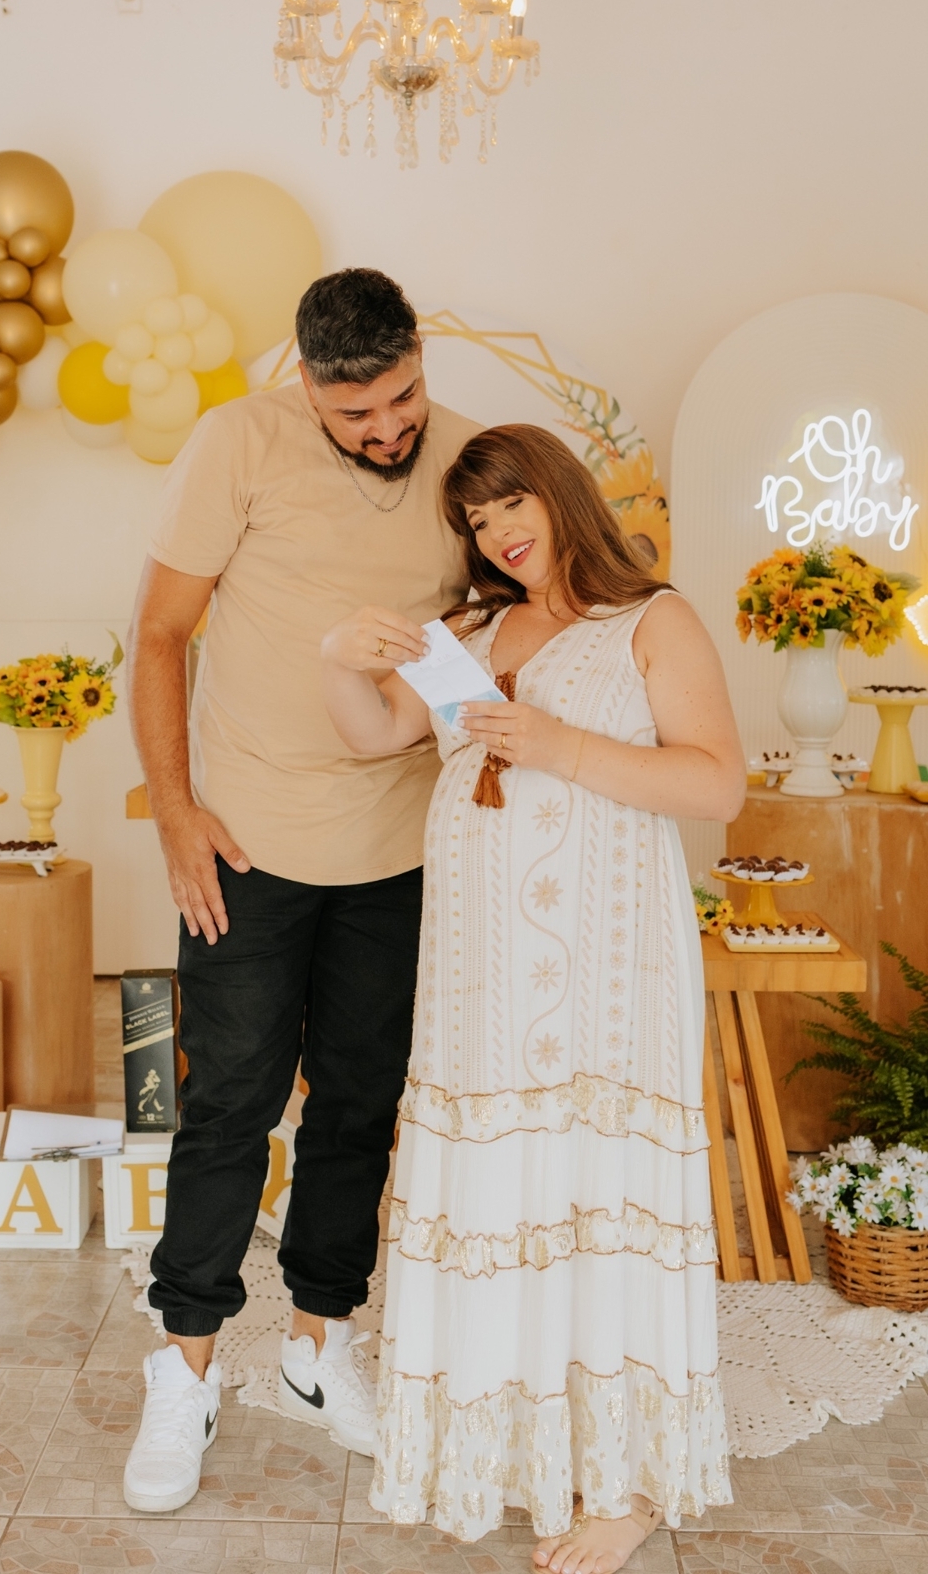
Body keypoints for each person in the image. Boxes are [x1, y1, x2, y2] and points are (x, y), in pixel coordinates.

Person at [320, 424, 743, 1572]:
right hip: (481, 980)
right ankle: (513, 1442)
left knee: (598, 1185)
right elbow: (377, 733)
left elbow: (716, 781)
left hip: (609, 976)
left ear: (557, 492)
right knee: (505, 1188)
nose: (496, 529)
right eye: (474, 517)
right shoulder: (467, 634)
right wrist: (341, 662)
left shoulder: (650, 619)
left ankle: (625, 1480)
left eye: (510, 501)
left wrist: (559, 744)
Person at [122, 269, 479, 1513]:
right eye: (355, 414)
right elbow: (158, 632)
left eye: (401, 399)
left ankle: (319, 1348)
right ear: (307, 387)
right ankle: (184, 1371)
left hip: (398, 848)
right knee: (228, 1106)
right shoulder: (237, 442)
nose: (386, 429)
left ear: (418, 360)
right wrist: (176, 813)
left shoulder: (466, 458)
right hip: (247, 846)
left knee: (358, 1108)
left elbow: (482, 635)